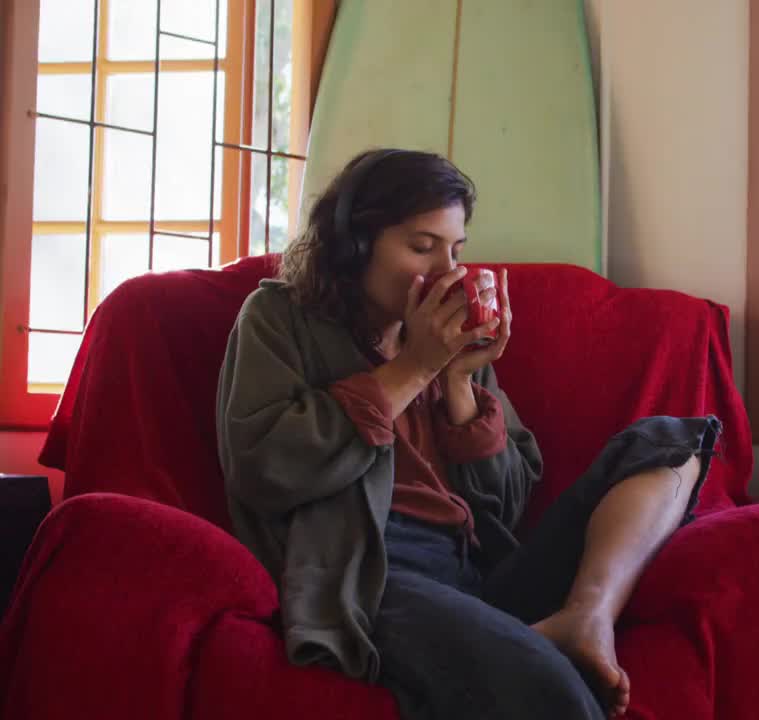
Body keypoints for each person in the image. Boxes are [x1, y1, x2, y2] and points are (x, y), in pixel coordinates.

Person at [216, 148, 721, 720]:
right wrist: (414, 369)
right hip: (374, 569)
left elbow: (507, 506)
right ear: (354, 245)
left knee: (670, 443)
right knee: (550, 688)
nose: (445, 271)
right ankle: (546, 642)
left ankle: (589, 611)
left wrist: (458, 382)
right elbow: (261, 465)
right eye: (421, 246)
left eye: (455, 249)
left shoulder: (448, 335)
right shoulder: (280, 316)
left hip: (479, 566)